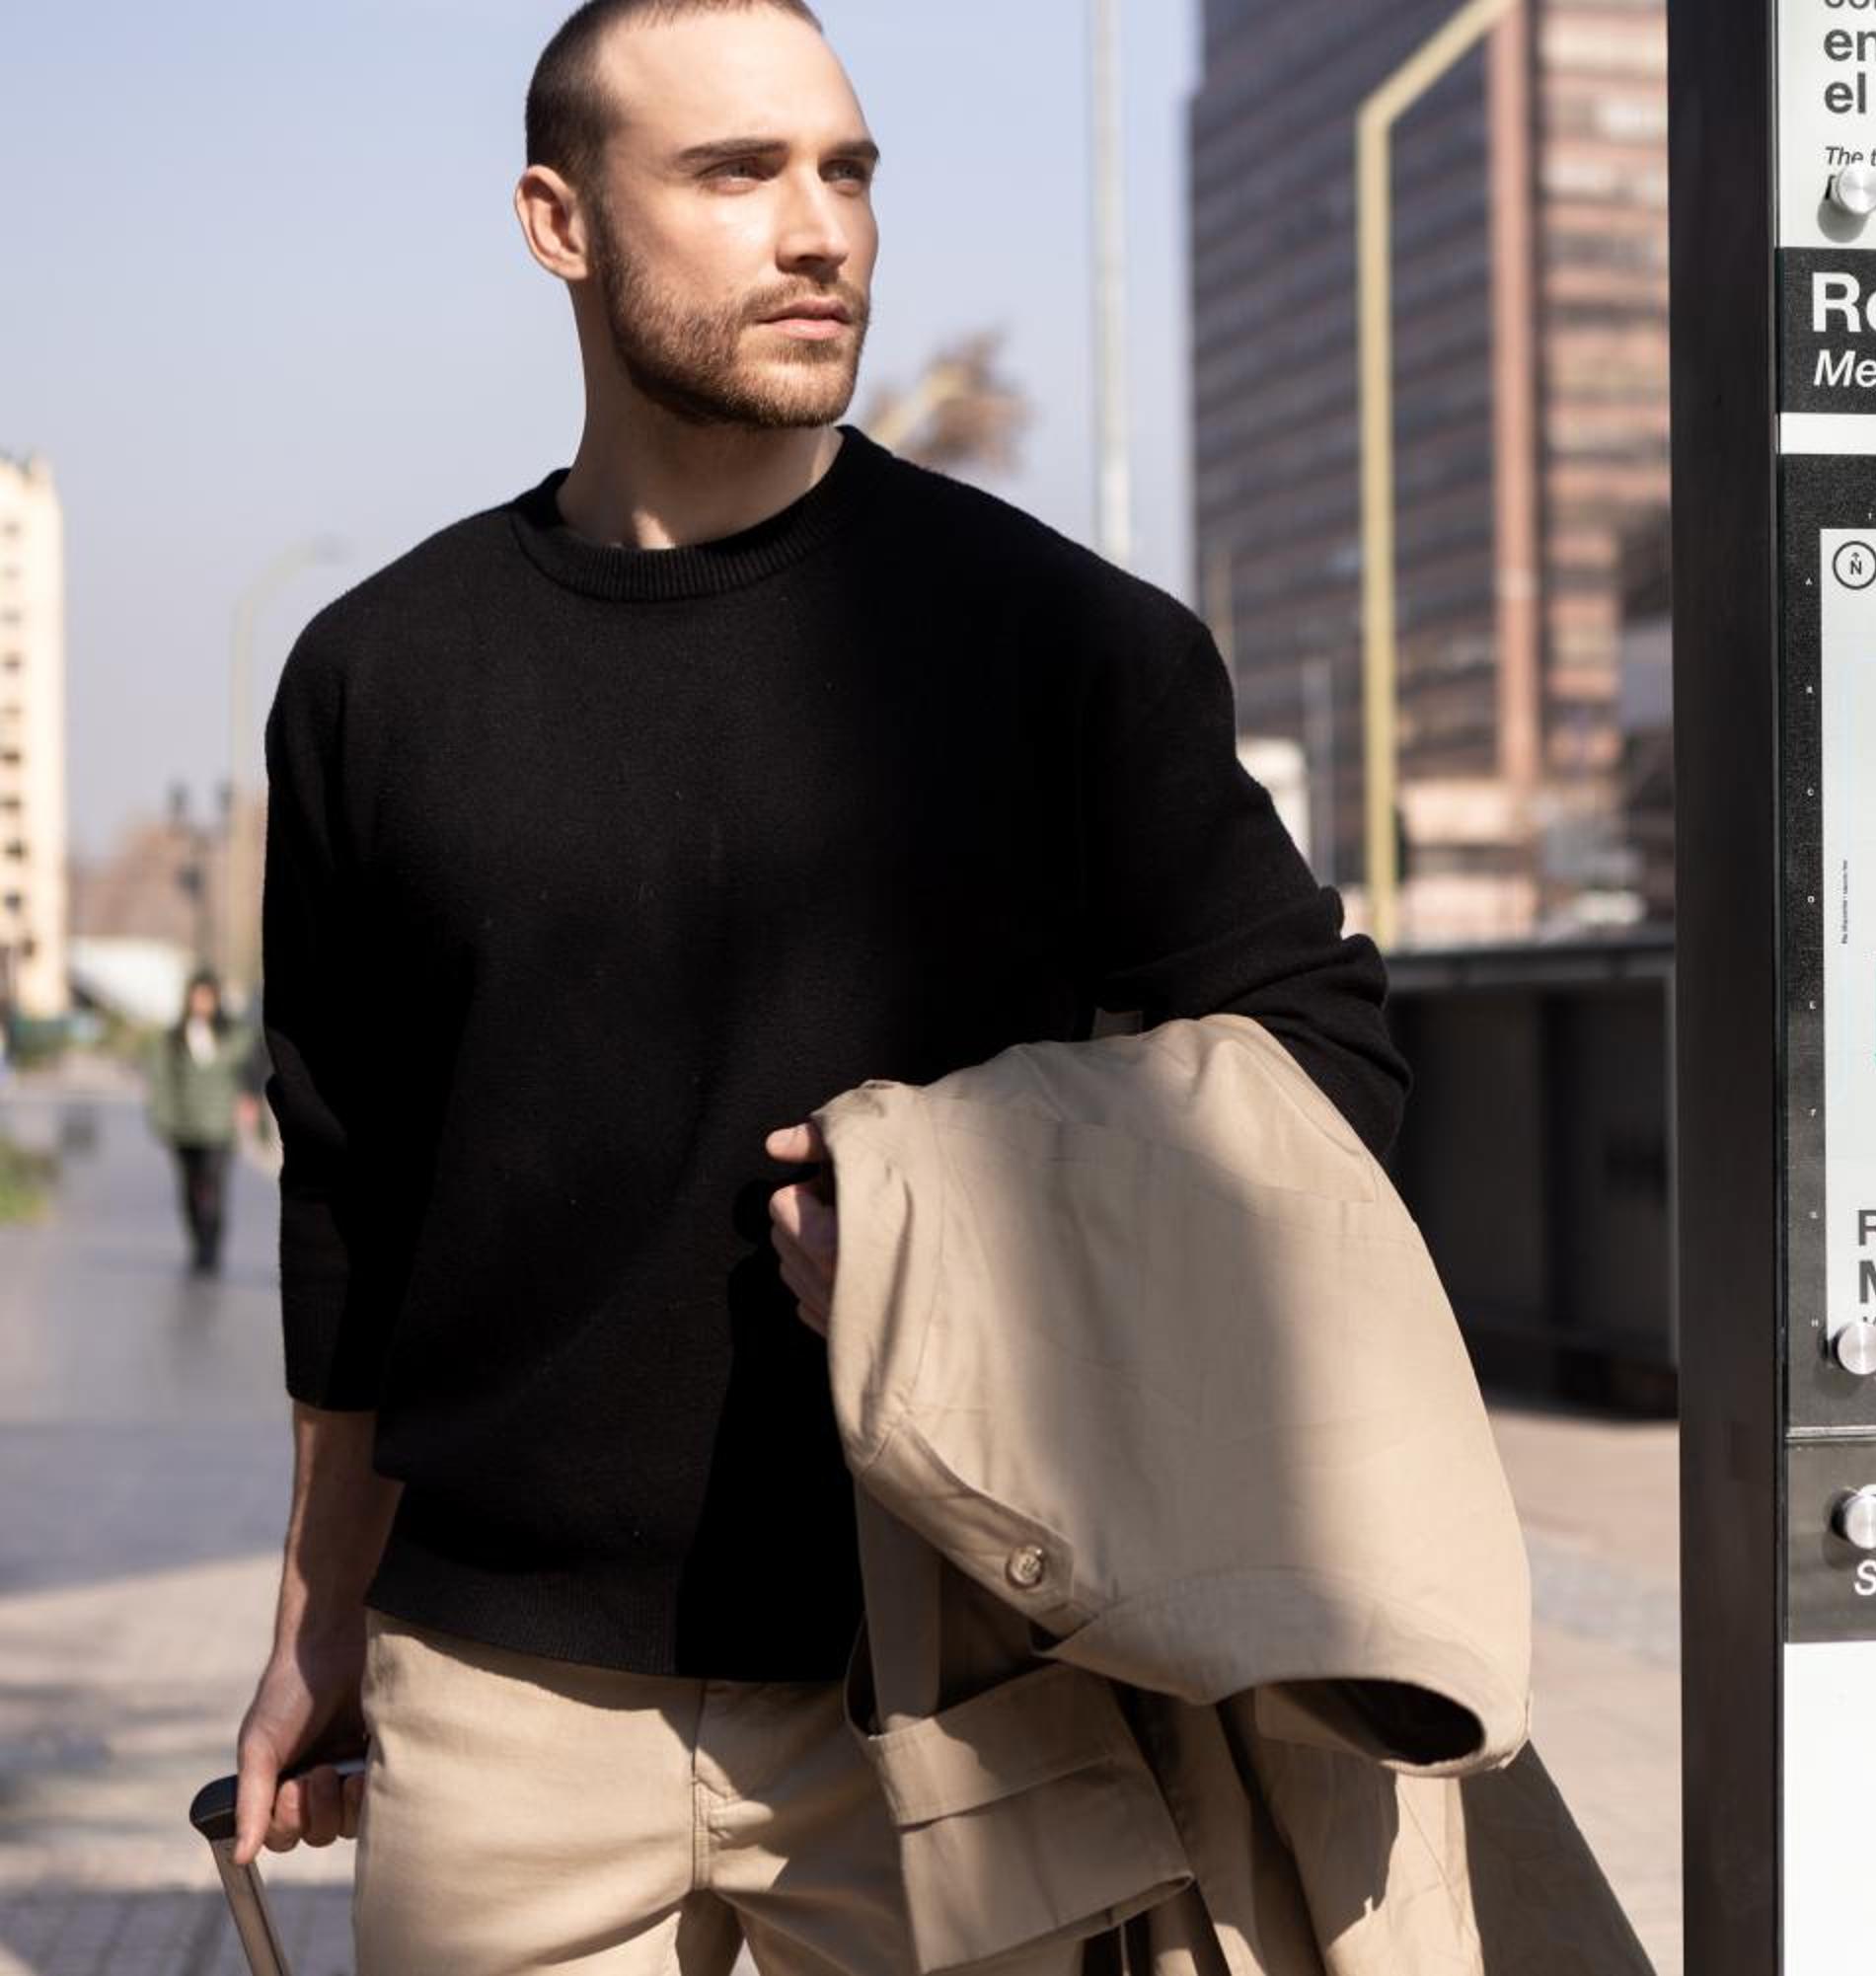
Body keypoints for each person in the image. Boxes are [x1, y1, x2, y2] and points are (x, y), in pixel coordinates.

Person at [228, 4, 1404, 1971]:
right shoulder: (376, 676)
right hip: (494, 1701)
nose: (819, 229)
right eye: (734, 171)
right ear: (559, 220)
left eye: (846, 171)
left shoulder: (1062, 646)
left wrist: (984, 1209)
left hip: (963, 1680)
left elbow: (1330, 1061)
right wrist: (315, 1622)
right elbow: (348, 1200)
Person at [146, 970, 262, 1275]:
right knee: (189, 1187)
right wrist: (162, 1119)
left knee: (213, 1186)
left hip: (219, 1127)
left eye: (207, 997)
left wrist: (251, 1104)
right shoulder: (174, 1039)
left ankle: (211, 1248)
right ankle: (197, 1243)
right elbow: (161, 1081)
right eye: (196, 997)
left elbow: (251, 1070)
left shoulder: (234, 1035)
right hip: (184, 1126)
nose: (201, 1003)